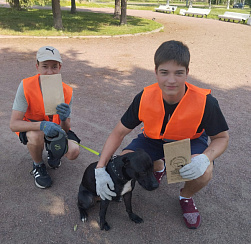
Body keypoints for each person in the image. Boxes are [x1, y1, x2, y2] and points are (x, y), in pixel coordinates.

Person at [94, 40, 229, 229]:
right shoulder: (144, 96)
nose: (171, 80)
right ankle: (158, 167)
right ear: (156, 71)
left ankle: (186, 196)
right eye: (164, 72)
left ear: (187, 72)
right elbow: (118, 132)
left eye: (178, 73)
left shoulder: (206, 102)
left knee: (205, 171)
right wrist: (100, 168)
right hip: (153, 140)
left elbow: (221, 137)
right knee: (124, 161)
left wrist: (205, 158)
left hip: (190, 141)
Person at [10, 46, 80, 189]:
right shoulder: (26, 86)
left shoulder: (67, 91)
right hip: (33, 128)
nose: (49, 72)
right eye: (45, 67)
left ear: (60, 67)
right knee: (36, 136)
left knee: (73, 151)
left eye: (54, 67)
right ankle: (38, 165)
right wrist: (41, 125)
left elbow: (66, 128)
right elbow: (14, 124)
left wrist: (64, 118)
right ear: (37, 67)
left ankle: (53, 152)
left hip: (57, 129)